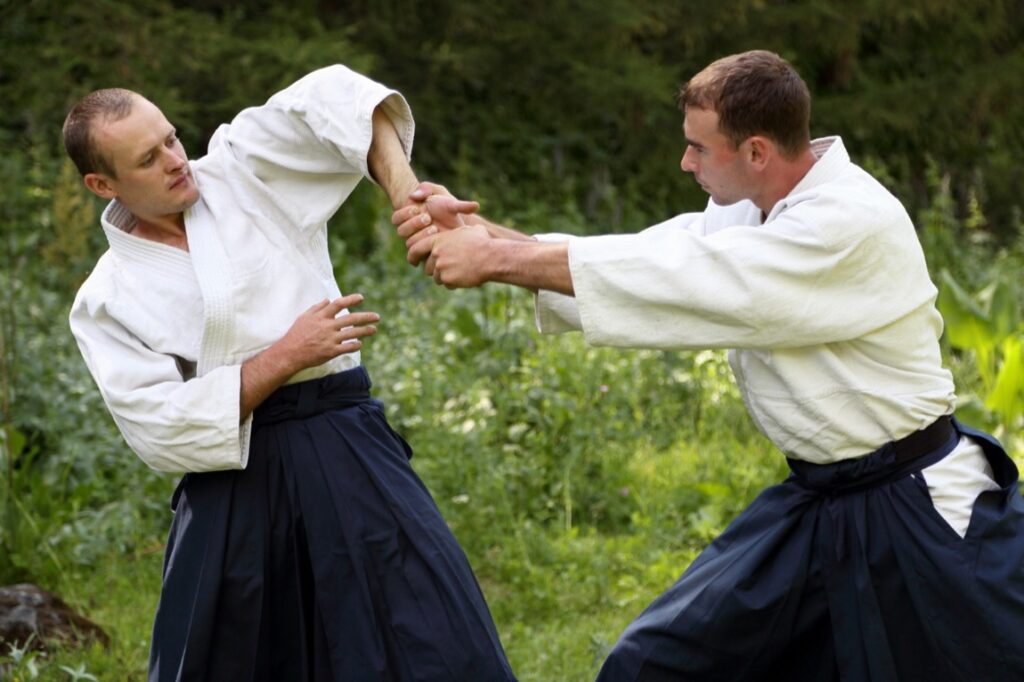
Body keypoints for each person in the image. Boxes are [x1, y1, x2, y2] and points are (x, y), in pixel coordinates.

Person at [394, 50, 1024, 680]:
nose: (685, 162)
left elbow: (692, 279)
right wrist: (483, 234)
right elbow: (639, 258)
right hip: (816, 500)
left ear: (755, 152)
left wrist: (490, 260)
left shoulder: (849, 222)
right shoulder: (749, 207)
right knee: (654, 667)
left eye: (698, 148)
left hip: (911, 506)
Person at [64, 65, 515, 681]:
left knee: (425, 631)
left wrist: (405, 190)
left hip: (342, 444)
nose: (176, 160)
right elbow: (160, 429)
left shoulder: (241, 170)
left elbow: (333, 97)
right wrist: (286, 354)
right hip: (233, 485)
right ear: (101, 182)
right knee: (239, 659)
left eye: (171, 138)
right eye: (149, 158)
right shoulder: (106, 299)